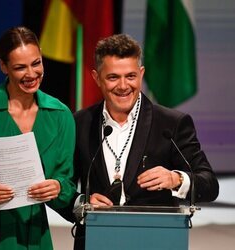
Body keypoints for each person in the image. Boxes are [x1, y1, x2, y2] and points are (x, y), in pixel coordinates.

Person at [58, 34, 219, 250]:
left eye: (131, 76)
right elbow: (64, 186)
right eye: (113, 77)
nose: (123, 86)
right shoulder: (80, 123)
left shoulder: (171, 124)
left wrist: (176, 179)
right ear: (97, 78)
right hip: (96, 240)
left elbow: (209, 184)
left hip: (156, 241)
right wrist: (82, 204)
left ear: (141, 74)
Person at [0, 26, 76, 249]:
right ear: (3, 67)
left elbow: (66, 184)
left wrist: (57, 187)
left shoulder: (60, 115)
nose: (31, 74)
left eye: (36, 63)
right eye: (20, 67)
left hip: (36, 233)